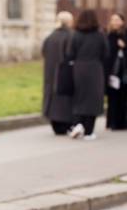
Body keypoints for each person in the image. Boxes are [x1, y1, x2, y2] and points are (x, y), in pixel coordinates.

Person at [68, 9, 108, 140]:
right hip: (95, 68)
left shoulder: (76, 35)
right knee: (94, 99)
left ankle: (78, 123)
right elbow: (106, 53)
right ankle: (89, 131)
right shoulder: (100, 35)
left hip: (79, 68)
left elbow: (70, 53)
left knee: (79, 96)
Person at [42, 11, 74, 135]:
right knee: (64, 98)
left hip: (50, 72)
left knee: (52, 96)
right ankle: (65, 123)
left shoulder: (51, 37)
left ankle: (55, 122)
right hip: (64, 72)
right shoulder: (70, 36)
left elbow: (44, 52)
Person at [106, 12, 127, 130]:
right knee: (112, 97)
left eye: (117, 19)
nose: (115, 22)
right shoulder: (108, 35)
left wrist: (124, 46)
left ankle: (122, 122)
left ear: (122, 22)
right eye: (113, 19)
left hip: (123, 71)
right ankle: (111, 122)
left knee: (123, 97)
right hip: (112, 72)